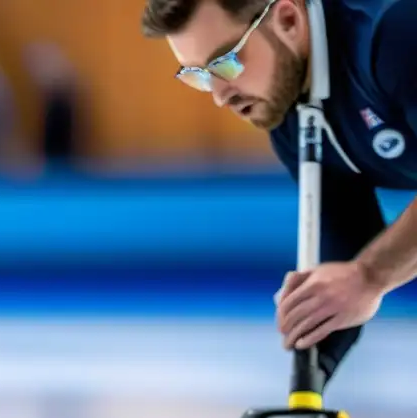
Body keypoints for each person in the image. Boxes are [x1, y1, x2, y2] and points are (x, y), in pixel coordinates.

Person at [141, 0, 417, 385]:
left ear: (288, 19)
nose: (220, 95)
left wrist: (370, 275)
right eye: (200, 76)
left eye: (226, 63)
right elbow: (346, 250)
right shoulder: (291, 114)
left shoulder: (393, 30)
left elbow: (360, 274)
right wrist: (308, 387)